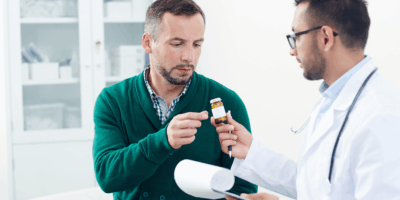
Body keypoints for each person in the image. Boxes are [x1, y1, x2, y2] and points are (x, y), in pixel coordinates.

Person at [212, 0, 400, 199]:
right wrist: (251, 152)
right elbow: (315, 185)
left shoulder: (382, 116)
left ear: (325, 37)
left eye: (296, 37)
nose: (292, 50)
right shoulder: (332, 100)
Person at [92, 0, 257, 199]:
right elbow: (107, 177)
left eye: (197, 44)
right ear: (147, 43)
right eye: (177, 44)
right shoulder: (113, 101)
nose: (189, 56)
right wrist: (163, 141)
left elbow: (243, 190)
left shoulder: (226, 103)